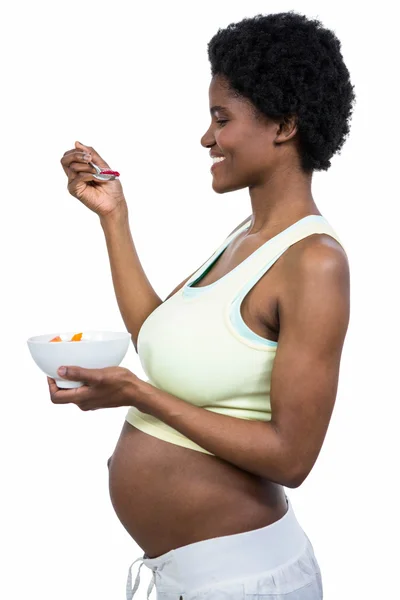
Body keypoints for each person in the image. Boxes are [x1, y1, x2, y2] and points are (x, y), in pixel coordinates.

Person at [57, 10, 355, 600]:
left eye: (222, 119)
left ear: (285, 125)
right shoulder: (244, 237)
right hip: (193, 578)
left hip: (246, 582)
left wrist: (140, 395)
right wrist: (115, 217)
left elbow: (292, 457)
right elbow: (156, 339)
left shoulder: (314, 262)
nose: (207, 138)